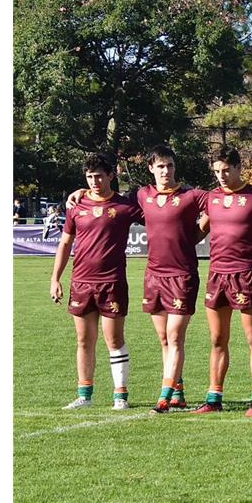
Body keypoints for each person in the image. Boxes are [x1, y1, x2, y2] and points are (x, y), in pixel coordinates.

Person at [49, 153, 143, 410]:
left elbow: (157, 217)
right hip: (81, 282)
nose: (94, 181)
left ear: (111, 175)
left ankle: (120, 396)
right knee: (83, 340)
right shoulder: (76, 206)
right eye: (89, 177)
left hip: (112, 282)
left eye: (99, 176)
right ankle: (84, 395)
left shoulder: (125, 207)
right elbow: (66, 242)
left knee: (114, 340)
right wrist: (55, 278)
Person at [133, 146, 211, 412]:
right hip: (154, 276)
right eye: (161, 166)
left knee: (175, 336)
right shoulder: (143, 195)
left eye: (170, 166)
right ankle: (178, 393)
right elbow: (112, 202)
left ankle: (164, 396)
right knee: (164, 340)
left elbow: (221, 202)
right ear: (151, 169)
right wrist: (80, 193)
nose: (166, 171)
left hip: (182, 276)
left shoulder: (191, 196)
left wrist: (199, 231)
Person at [194, 147, 252, 416]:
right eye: (217, 171)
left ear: (239, 168)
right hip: (216, 274)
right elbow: (199, 231)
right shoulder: (211, 198)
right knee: (217, 339)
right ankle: (214, 398)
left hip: (245, 273)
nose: (221, 176)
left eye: (226, 170)